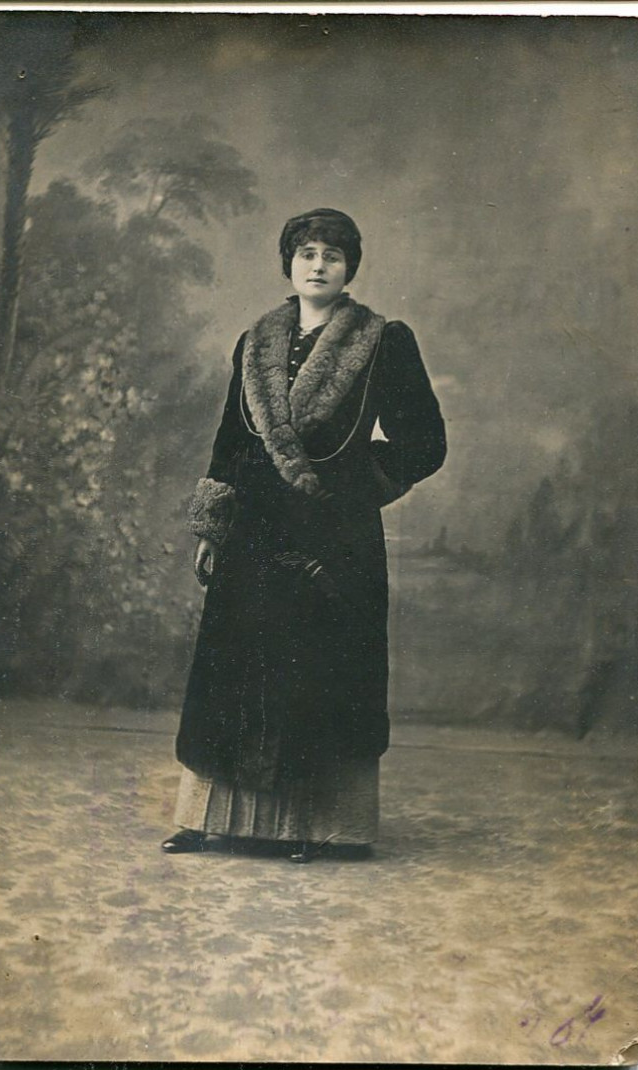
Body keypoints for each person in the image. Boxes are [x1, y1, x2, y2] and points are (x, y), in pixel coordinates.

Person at [163, 208, 445, 864]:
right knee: (233, 673)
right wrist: (212, 527)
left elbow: (424, 440)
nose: (318, 265)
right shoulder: (254, 340)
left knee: (317, 677)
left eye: (333, 255)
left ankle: (317, 831)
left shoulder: (381, 340)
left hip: (331, 538)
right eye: (306, 252)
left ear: (349, 268)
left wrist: (354, 490)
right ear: (288, 262)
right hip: (253, 535)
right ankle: (207, 819)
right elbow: (232, 442)